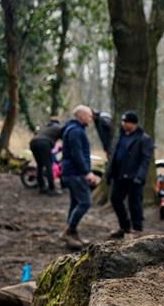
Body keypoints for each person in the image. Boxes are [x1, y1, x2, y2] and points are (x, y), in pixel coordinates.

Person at [106, 111, 154, 239]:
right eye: (123, 122)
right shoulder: (120, 136)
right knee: (115, 199)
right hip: (119, 176)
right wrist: (109, 172)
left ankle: (137, 229)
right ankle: (124, 226)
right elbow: (114, 155)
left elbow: (145, 160)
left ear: (132, 123)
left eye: (125, 122)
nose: (123, 124)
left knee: (134, 203)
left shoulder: (144, 138)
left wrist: (140, 176)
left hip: (134, 178)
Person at [59, 105, 99, 249]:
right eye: (89, 115)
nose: (91, 118)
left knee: (75, 203)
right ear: (81, 116)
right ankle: (68, 232)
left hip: (72, 172)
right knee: (85, 202)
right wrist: (87, 172)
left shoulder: (74, 129)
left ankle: (72, 234)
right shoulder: (75, 131)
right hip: (75, 173)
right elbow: (77, 154)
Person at [29, 116, 62, 195]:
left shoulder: (45, 128)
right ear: (57, 122)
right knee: (49, 165)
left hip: (33, 142)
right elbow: (66, 139)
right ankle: (52, 189)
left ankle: (42, 187)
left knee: (40, 165)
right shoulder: (58, 128)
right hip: (44, 143)